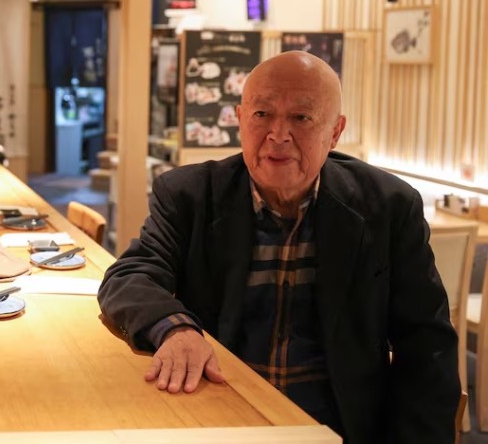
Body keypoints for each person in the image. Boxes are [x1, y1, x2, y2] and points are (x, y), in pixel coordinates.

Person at [98, 51, 458, 443]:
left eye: (301, 118)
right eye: (262, 115)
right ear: (240, 120)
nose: (278, 135)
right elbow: (130, 276)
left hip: (337, 427)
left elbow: (427, 346)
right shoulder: (190, 195)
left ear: (335, 132)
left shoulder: (387, 207)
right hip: (216, 416)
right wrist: (177, 330)